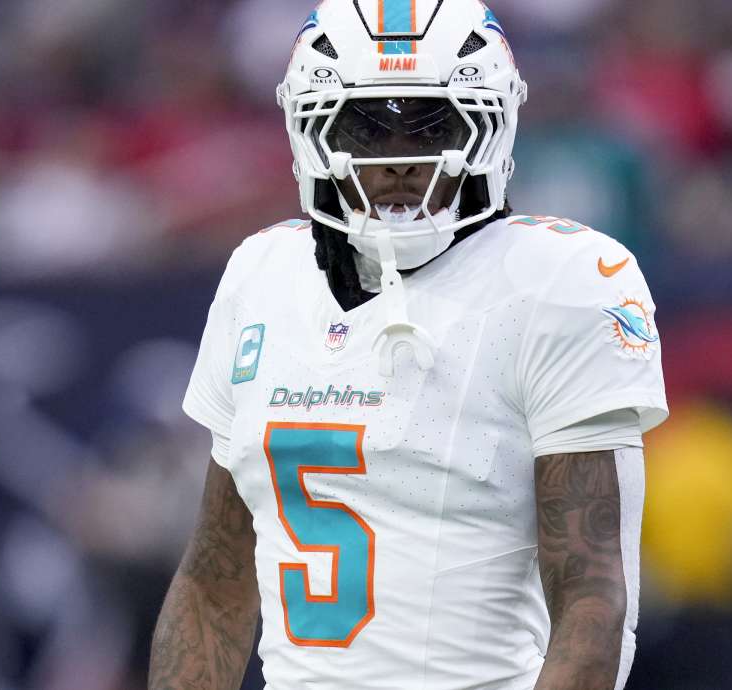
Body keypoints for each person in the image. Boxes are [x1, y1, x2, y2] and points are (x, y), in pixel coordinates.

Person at [149, 1, 668, 688]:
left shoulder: (560, 281)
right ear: (311, 128)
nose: (399, 158)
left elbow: (592, 602)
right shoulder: (260, 274)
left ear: (492, 124)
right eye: (366, 127)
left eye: (434, 123)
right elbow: (213, 586)